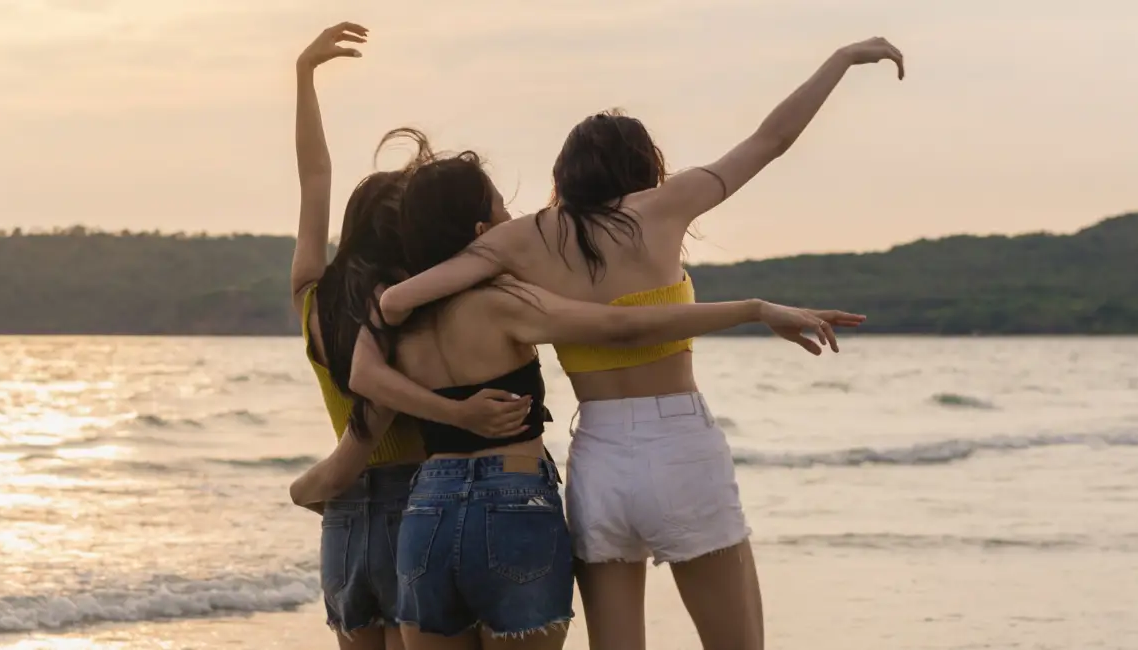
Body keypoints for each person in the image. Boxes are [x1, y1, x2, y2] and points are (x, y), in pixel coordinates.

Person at [371, 37, 905, 650]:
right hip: (680, 448)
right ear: (644, 166)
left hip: (598, 458)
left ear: (563, 175)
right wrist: (840, 59)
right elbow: (770, 140)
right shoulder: (665, 205)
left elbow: (401, 299)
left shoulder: (524, 238)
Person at [284, 23, 534, 650]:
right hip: (418, 499)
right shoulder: (411, 307)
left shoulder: (311, 295)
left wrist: (303, 75)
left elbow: (314, 177)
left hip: (343, 519)